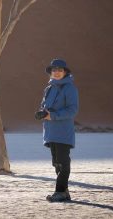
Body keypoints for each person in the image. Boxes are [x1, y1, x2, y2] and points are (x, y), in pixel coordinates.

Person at [35, 59, 79, 202]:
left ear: (65, 72)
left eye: (60, 70)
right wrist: (42, 112)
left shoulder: (70, 88)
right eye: (54, 70)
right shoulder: (49, 87)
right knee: (56, 163)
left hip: (63, 132)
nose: (57, 72)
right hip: (50, 132)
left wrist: (52, 115)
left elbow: (73, 110)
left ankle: (59, 191)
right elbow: (45, 105)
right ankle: (64, 192)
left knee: (63, 163)